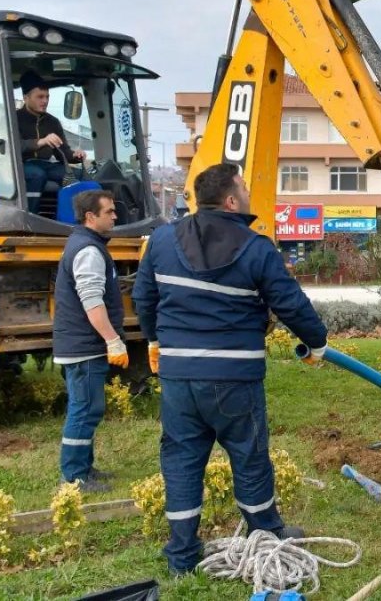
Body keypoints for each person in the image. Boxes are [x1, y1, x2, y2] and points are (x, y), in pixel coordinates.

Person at [132, 162, 329, 576]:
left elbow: (143, 296)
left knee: (182, 460)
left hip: (179, 378)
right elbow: (290, 303)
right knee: (249, 456)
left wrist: (154, 340)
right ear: (230, 199)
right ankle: (268, 540)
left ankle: (182, 555)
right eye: (243, 186)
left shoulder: (163, 240)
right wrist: (317, 342)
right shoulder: (256, 249)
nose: (248, 192)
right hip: (234, 378)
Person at [54, 189, 129, 493]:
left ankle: (84, 468)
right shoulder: (88, 250)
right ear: (90, 216)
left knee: (87, 408)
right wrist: (113, 340)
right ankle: (74, 477)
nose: (115, 216)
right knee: (84, 409)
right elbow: (92, 302)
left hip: (79, 345)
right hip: (85, 347)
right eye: (109, 211)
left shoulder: (86, 245)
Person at [16, 69, 85, 212]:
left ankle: (71, 221)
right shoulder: (14, 118)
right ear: (26, 97)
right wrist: (40, 142)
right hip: (20, 166)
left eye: (47, 96)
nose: (45, 101)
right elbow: (13, 148)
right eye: (40, 97)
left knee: (79, 175)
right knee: (36, 174)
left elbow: (63, 153)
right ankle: (29, 218)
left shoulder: (52, 122)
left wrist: (75, 156)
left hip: (46, 165)